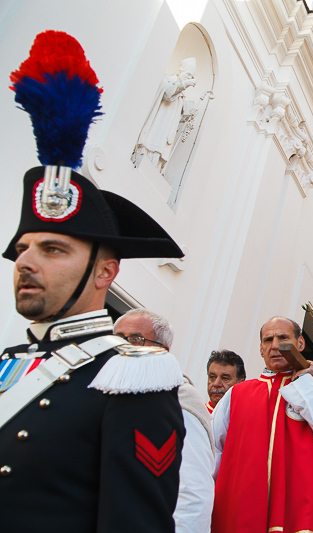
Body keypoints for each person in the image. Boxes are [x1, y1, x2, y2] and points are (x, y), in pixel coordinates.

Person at [0, 30, 186, 531]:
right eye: (23, 250)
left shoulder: (134, 379)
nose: (26, 263)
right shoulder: (8, 367)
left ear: (106, 271)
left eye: (53, 249)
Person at [211, 316, 313, 532]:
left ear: (300, 343)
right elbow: (214, 451)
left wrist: (305, 383)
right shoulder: (236, 394)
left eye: (283, 338)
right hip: (243, 507)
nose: (275, 346)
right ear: (261, 348)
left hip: (299, 510)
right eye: (268, 340)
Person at [115, 309, 214, 533]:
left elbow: (193, 495)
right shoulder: (108, 393)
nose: (122, 346)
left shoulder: (180, 400)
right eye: (117, 338)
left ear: (162, 351)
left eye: (135, 339)